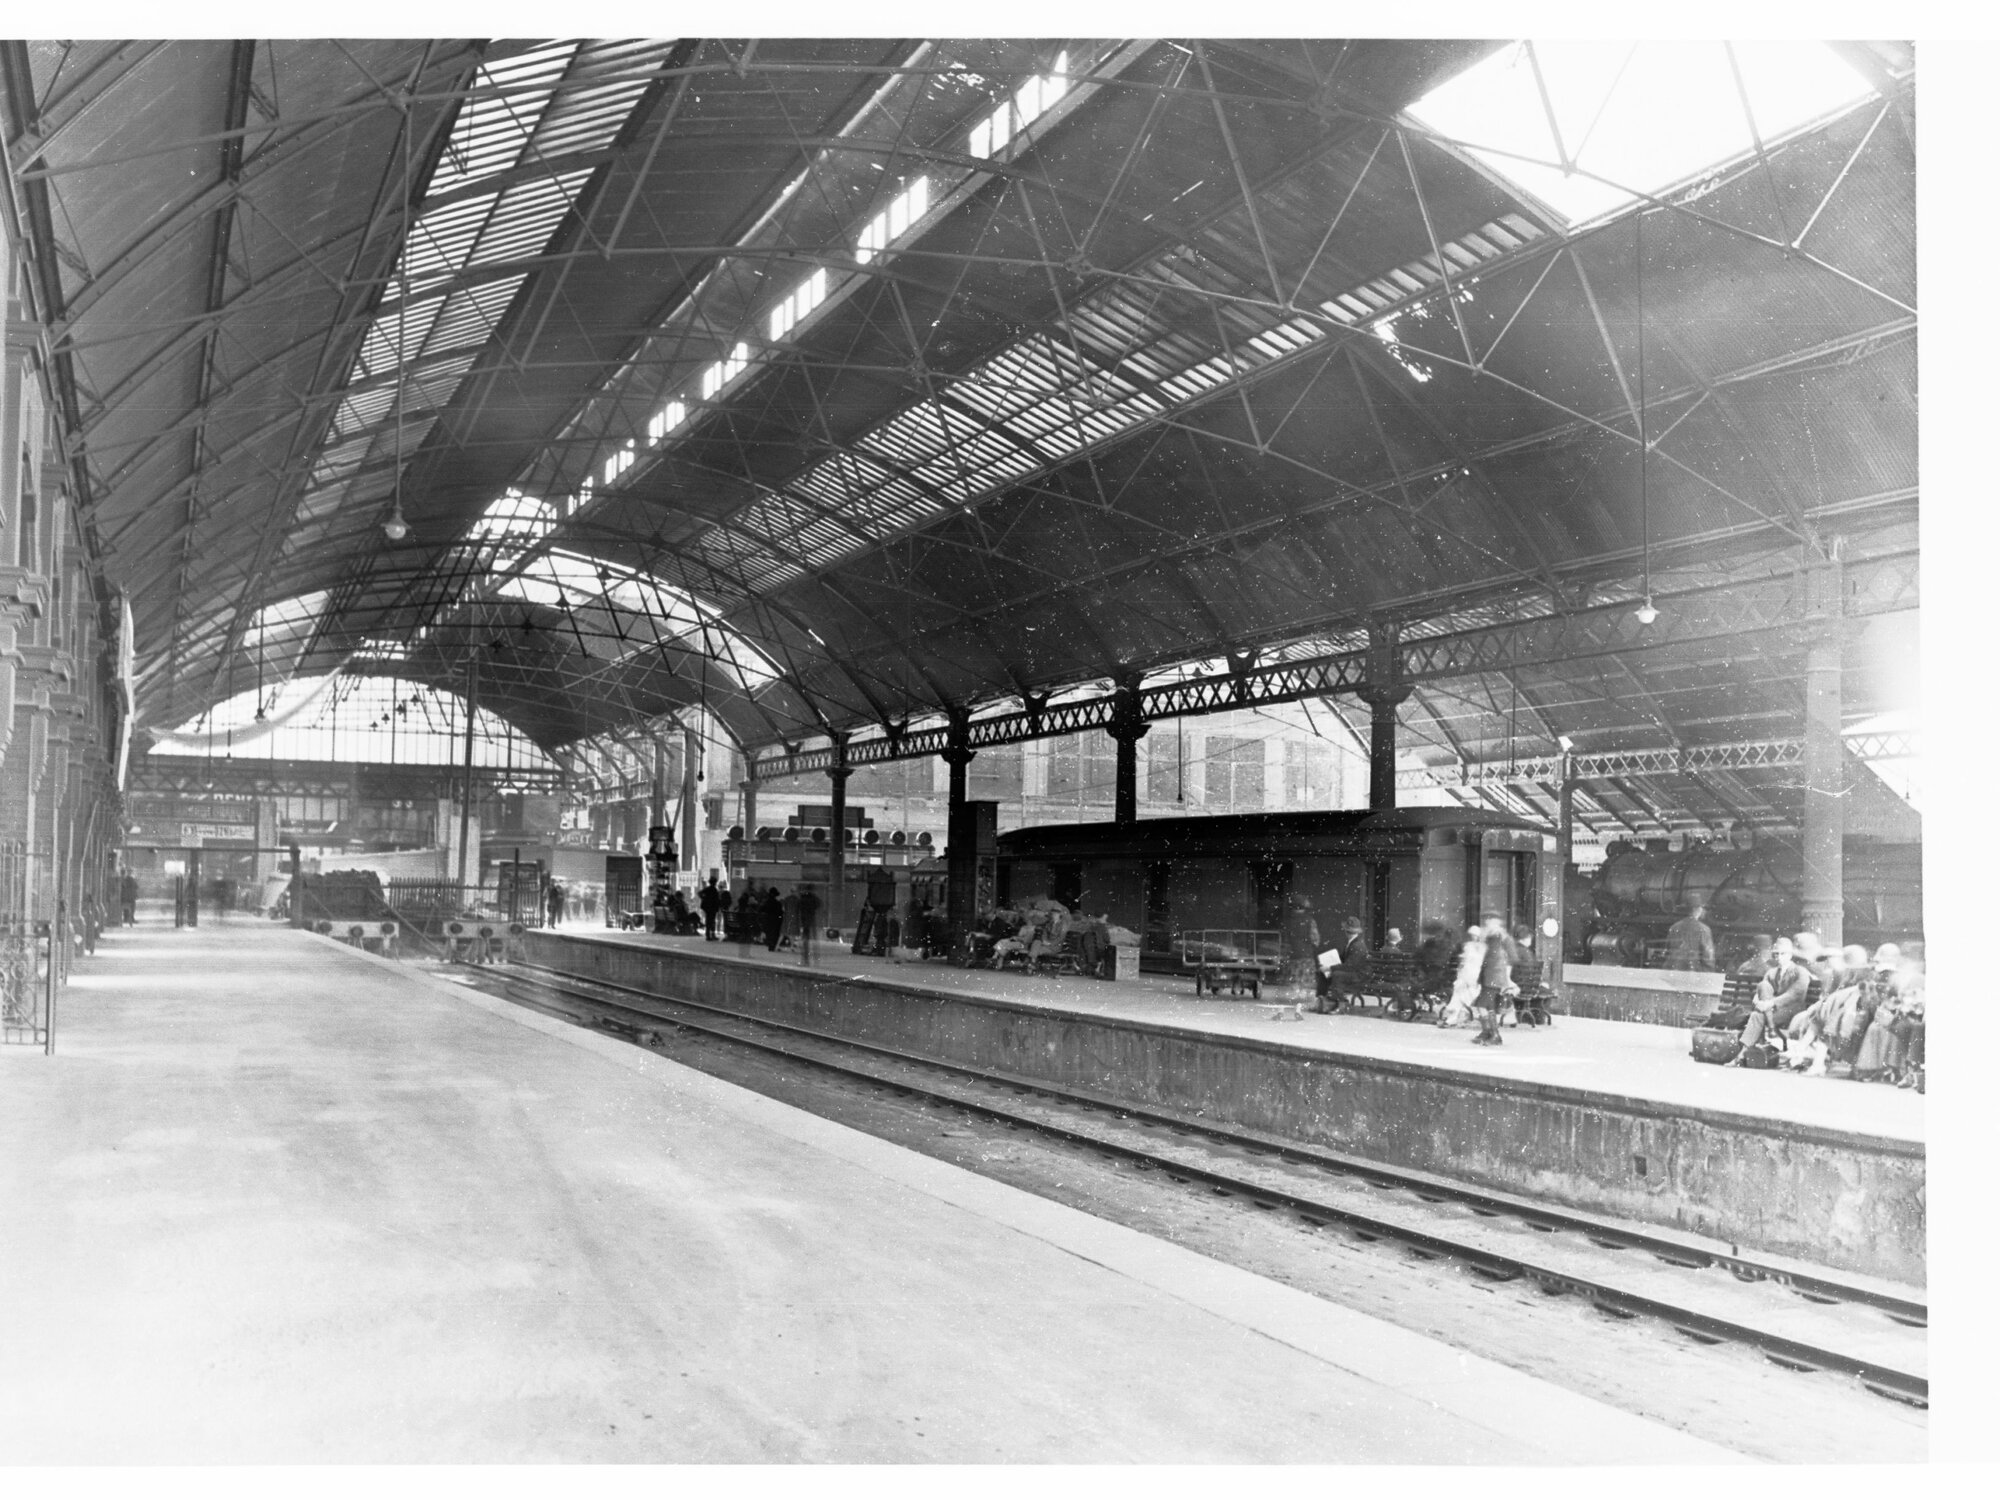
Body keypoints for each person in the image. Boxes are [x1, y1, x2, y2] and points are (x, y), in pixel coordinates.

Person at [1724, 936, 1813, 1064]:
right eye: (1776, 954)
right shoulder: (1771, 972)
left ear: (1791, 954)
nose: (1779, 957)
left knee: (1758, 1014)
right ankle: (1743, 1054)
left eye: (1783, 953)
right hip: (1773, 1010)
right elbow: (1759, 992)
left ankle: (1742, 1055)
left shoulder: (1800, 972)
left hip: (1791, 1011)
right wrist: (1757, 1002)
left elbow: (1794, 994)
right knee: (1761, 991)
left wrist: (1770, 1003)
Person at [1321, 915, 1372, 1012]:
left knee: (1337, 975)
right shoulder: (1352, 943)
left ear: (1346, 932)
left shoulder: (1357, 945)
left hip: (1361, 975)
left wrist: (1330, 968)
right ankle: (1329, 1000)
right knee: (1328, 974)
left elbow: (1350, 966)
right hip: (1356, 972)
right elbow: (1344, 959)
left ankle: (1340, 1004)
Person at [1472, 928, 1513, 1045]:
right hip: (1493, 984)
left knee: (1481, 1005)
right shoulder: (1499, 951)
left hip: (1490, 983)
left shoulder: (1493, 951)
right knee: (1489, 1008)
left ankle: (1492, 1033)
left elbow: (1487, 968)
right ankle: (1490, 1033)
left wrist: (1480, 980)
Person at [1281, 895, 1321, 998]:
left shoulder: (1287, 921)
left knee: (1294, 977)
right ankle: (1303, 996)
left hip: (1292, 953)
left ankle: (1294, 994)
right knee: (1305, 978)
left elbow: (1284, 938)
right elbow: (1315, 939)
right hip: (1306, 953)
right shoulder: (1310, 921)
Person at [1666, 903, 1716, 971]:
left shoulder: (1674, 927)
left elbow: (1667, 952)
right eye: (1702, 908)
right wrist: (1709, 974)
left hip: (1674, 972)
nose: (1703, 911)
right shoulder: (1704, 929)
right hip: (1695, 974)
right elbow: (1708, 957)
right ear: (1697, 909)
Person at [795, 883, 820, 965]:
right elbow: (818, 905)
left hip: (804, 920)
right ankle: (816, 960)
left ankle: (805, 960)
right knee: (814, 940)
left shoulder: (802, 898)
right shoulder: (814, 898)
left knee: (805, 940)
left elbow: (797, 907)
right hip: (811, 919)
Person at [698, 875, 723, 941]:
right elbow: (717, 899)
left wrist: (703, 898)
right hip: (712, 907)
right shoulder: (714, 890)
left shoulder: (707, 889)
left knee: (708, 921)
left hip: (707, 907)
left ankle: (708, 934)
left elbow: (700, 893)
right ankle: (711, 935)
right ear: (714, 882)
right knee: (712, 921)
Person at [762, 886, 785, 951]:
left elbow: (762, 910)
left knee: (770, 933)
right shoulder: (777, 903)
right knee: (775, 933)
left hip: (768, 921)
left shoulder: (766, 902)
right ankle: (773, 945)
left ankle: (770, 944)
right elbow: (780, 912)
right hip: (775, 921)